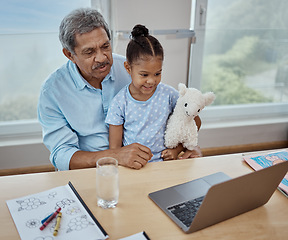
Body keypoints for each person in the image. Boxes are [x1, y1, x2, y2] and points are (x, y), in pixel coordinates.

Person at [37, 8, 202, 171]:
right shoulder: (52, 92)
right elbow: (61, 155)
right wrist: (115, 156)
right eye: (89, 52)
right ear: (69, 54)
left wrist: (186, 147)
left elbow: (177, 114)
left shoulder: (135, 69)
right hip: (91, 171)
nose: (102, 57)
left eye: (105, 46)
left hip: (150, 165)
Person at [105, 24, 201, 162]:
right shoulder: (119, 103)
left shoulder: (169, 95)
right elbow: (114, 150)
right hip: (134, 167)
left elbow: (195, 121)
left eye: (157, 73)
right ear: (128, 68)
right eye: (144, 75)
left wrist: (177, 150)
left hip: (165, 164)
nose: (151, 81)